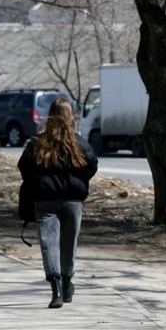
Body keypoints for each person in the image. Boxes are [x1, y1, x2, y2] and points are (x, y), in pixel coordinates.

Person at [17, 97, 98, 308]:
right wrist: (77, 181)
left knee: (48, 245)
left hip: (45, 201)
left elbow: (24, 168)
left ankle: (57, 291)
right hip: (73, 201)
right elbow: (92, 167)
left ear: (50, 116)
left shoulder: (37, 143)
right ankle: (68, 282)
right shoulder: (81, 143)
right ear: (69, 116)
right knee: (69, 243)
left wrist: (40, 181)